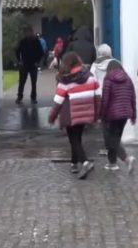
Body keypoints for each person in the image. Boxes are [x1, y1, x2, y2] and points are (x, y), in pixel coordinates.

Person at [48, 51, 101, 180]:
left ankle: (85, 162)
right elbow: (98, 96)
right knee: (77, 139)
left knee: (74, 140)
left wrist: (52, 117)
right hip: (86, 114)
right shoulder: (91, 77)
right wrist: (97, 114)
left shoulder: (65, 81)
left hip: (72, 115)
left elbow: (58, 103)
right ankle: (74, 163)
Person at [99, 60, 137, 173]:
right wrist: (133, 115)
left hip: (112, 114)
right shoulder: (128, 79)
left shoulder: (108, 79)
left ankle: (126, 159)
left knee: (111, 139)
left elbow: (105, 99)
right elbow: (132, 98)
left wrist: (102, 115)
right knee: (116, 137)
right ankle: (112, 163)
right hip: (125, 113)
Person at [91, 43, 116, 156]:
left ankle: (107, 146)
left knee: (104, 123)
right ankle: (115, 145)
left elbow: (92, 80)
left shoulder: (95, 65)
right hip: (113, 94)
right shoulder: (115, 63)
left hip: (100, 95)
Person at [15, 26, 45, 104]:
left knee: (33, 82)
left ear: (31, 32)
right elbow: (17, 51)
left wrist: (37, 62)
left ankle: (33, 97)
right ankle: (19, 96)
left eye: (29, 32)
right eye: (26, 32)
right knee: (22, 81)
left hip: (33, 64)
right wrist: (19, 61)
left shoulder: (36, 41)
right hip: (24, 64)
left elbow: (41, 52)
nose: (27, 34)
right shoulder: (23, 41)